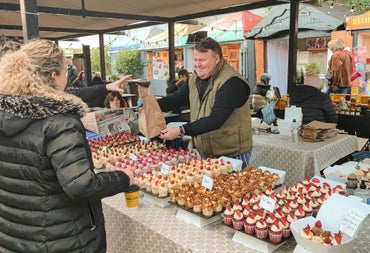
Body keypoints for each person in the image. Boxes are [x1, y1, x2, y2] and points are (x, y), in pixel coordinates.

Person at [0, 39, 135, 252]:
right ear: (53, 76)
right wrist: (123, 178)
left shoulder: (7, 114)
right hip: (62, 239)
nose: (68, 79)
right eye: (65, 71)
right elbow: (81, 185)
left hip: (15, 235)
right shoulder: (59, 121)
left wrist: (106, 87)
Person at [157, 37, 252, 168]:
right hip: (206, 151)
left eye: (202, 60)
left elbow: (215, 119)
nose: (197, 64)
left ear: (217, 59)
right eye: (195, 60)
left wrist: (181, 130)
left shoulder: (232, 82)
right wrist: (152, 105)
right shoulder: (194, 78)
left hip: (231, 153)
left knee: (231, 188)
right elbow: (178, 98)